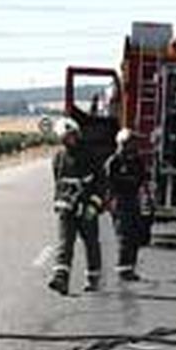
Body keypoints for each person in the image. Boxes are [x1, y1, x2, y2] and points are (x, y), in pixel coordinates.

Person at [49, 118, 104, 294]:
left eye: (72, 135)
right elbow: (58, 182)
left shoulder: (89, 154)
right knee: (65, 244)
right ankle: (61, 279)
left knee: (91, 243)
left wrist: (94, 205)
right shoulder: (58, 157)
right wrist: (59, 202)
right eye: (66, 137)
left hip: (87, 205)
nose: (70, 139)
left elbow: (101, 181)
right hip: (67, 207)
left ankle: (93, 278)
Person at [103, 129, 149, 282]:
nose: (133, 146)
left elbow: (143, 181)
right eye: (130, 143)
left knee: (135, 235)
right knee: (124, 236)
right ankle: (123, 268)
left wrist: (146, 198)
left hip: (133, 200)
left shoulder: (137, 161)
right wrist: (109, 202)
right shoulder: (113, 161)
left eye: (134, 143)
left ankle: (130, 268)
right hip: (120, 201)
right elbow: (107, 183)